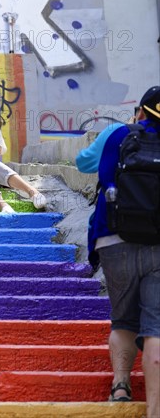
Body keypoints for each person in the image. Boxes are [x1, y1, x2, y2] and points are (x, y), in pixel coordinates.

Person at [76, 86, 160, 417]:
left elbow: (92, 170)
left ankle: (121, 386)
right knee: (155, 326)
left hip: (113, 238)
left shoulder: (118, 134)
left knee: (123, 318)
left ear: (140, 111)